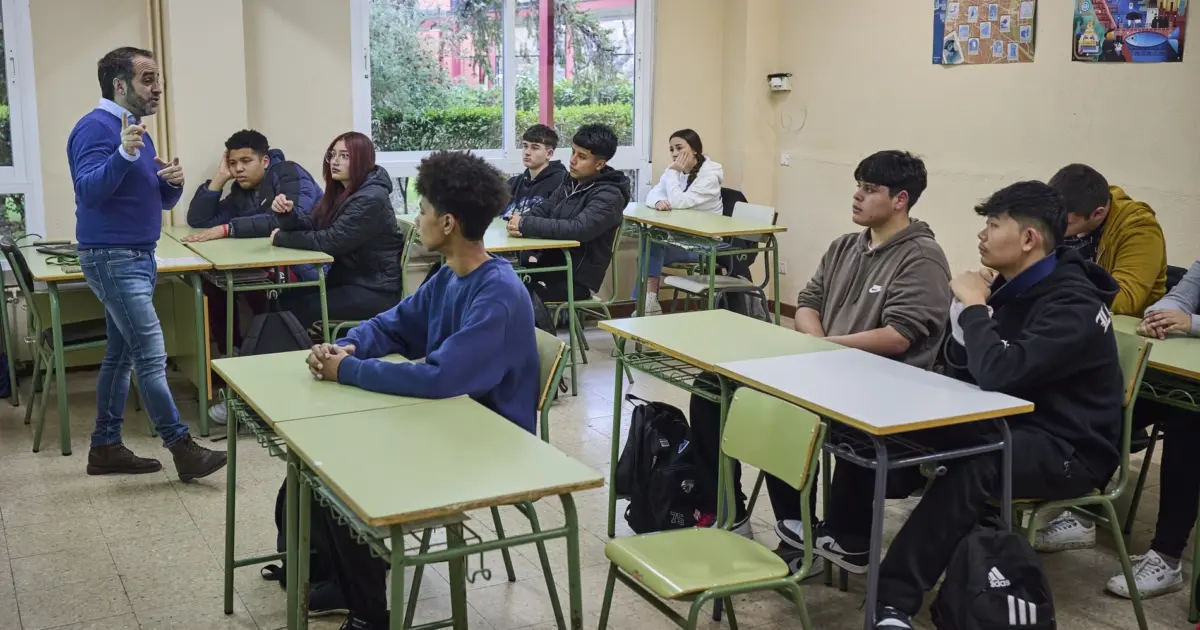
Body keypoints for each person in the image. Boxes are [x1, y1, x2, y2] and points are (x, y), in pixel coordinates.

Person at [871, 181, 1123, 629]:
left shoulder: (1072, 303)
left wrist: (974, 306)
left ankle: (891, 602)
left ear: (1028, 239)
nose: (981, 235)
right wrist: (967, 313)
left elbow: (1000, 372)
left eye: (992, 225)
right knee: (882, 423)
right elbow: (965, 368)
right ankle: (847, 538)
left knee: (978, 461)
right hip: (1011, 421)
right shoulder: (1015, 286)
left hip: (1070, 447)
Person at [303, 150, 539, 630]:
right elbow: (393, 325)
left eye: (424, 210)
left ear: (448, 222)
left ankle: (370, 614)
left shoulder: (497, 293)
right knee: (313, 465)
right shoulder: (449, 275)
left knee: (348, 476)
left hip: (489, 442)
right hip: (446, 420)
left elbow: (440, 378)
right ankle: (335, 577)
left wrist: (347, 372)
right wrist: (347, 347)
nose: (417, 220)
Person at [751, 150, 952, 567]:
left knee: (796, 416)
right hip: (835, 374)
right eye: (858, 186)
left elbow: (899, 336)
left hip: (886, 389)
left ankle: (848, 540)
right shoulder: (844, 246)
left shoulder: (922, 257)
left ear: (900, 199)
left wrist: (827, 349)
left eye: (870, 189)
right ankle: (793, 529)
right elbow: (808, 302)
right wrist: (819, 344)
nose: (857, 196)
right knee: (751, 400)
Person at [68, 46, 227, 479]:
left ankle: (105, 447)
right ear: (120, 85)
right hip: (112, 258)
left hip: (137, 255)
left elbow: (153, 200)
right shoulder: (94, 128)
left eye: (158, 79)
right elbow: (89, 192)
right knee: (151, 356)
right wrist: (122, 155)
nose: (158, 88)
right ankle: (182, 447)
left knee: (121, 357)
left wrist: (170, 185)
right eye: (148, 79)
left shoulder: (136, 130)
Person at [1036, 163, 1167, 551]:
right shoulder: (1063, 214)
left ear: (1098, 213)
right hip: (1081, 336)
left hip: (1128, 349)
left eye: (1067, 224)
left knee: (1073, 398)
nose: (1058, 231)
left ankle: (1081, 510)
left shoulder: (1138, 227)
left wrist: (1055, 290)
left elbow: (1125, 298)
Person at [1103, 261, 1200, 600]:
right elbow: (1180, 296)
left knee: (1189, 425)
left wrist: (1190, 323)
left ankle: (1167, 558)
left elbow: (1188, 317)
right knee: (1113, 399)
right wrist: (1160, 316)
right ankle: (1084, 508)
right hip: (1190, 376)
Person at [271, 131, 406, 329]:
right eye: (333, 154)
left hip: (374, 290)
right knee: (282, 299)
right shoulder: (343, 191)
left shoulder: (371, 198)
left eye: (345, 156)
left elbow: (330, 241)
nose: (335, 161)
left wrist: (282, 238)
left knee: (294, 308)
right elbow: (315, 225)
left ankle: (303, 349)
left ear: (362, 160)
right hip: (349, 280)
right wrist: (287, 214)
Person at [507, 123, 631, 303]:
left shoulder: (610, 195)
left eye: (581, 157)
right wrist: (518, 220)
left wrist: (526, 224)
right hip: (549, 266)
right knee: (498, 280)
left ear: (599, 164)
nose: (572, 160)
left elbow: (578, 229)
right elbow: (544, 209)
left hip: (574, 279)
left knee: (510, 293)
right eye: (573, 152)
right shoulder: (571, 182)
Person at [638, 129, 725, 315]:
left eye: (679, 148)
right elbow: (652, 194)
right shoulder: (675, 171)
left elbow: (679, 202)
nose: (675, 154)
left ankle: (646, 303)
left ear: (695, 149)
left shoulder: (709, 176)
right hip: (683, 240)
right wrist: (658, 201)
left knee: (650, 247)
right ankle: (648, 302)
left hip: (704, 245)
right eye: (671, 149)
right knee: (650, 241)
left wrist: (672, 172)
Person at [505, 124, 567, 219]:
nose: (527, 152)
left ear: (549, 153)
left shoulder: (562, 182)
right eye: (525, 146)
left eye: (534, 148)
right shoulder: (513, 183)